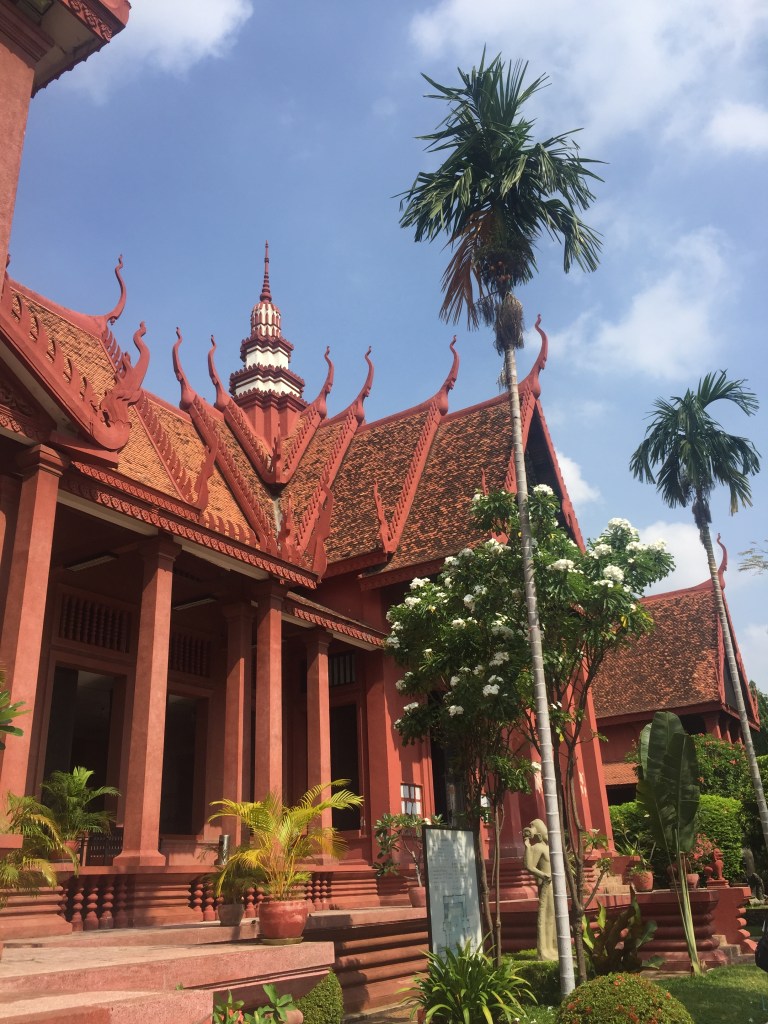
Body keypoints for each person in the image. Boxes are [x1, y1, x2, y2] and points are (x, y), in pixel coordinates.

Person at [523, 818, 558, 960]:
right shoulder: (538, 847)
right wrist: (543, 875)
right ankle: (544, 950)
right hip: (546, 885)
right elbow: (529, 866)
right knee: (546, 916)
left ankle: (552, 947)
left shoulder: (551, 848)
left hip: (555, 886)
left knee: (553, 917)